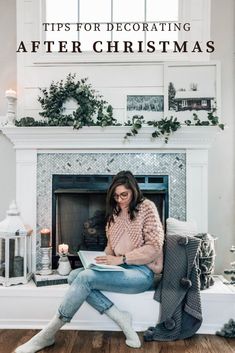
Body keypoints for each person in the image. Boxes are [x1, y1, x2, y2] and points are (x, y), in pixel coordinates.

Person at [15, 171, 164, 353]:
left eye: (124, 195)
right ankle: (120, 318)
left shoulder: (146, 208)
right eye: (116, 196)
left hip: (142, 272)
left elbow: (154, 247)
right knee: (73, 276)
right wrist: (100, 261)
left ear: (134, 191)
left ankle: (46, 335)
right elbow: (112, 245)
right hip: (120, 267)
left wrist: (122, 259)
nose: (120, 200)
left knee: (84, 279)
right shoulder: (116, 212)